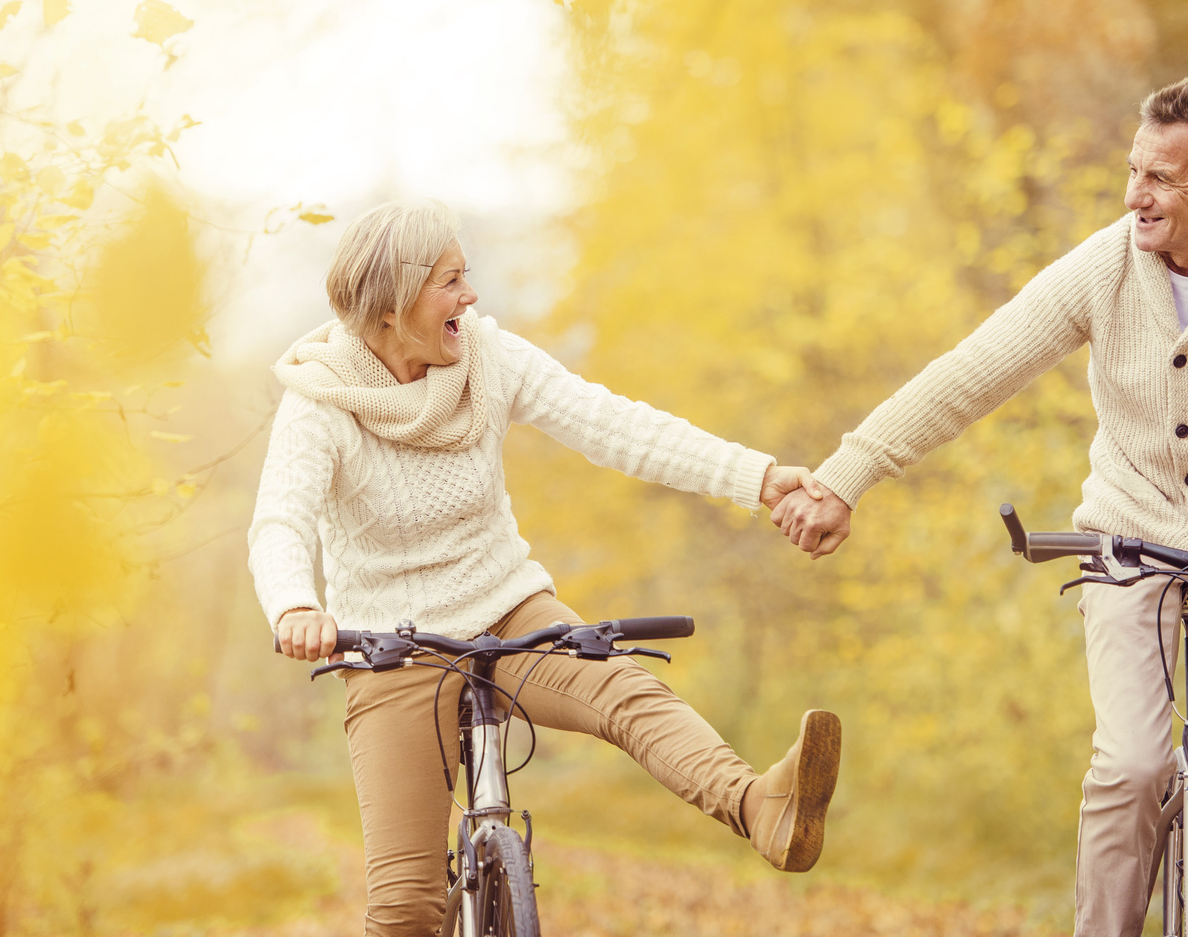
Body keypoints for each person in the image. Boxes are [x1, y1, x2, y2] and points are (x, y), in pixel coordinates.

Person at [770, 78, 1188, 937]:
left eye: (1160, 178)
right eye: (1131, 170)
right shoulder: (1104, 266)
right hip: (1130, 534)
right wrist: (846, 474)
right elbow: (974, 371)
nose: (1134, 195)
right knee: (1134, 762)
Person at [248, 199, 842, 936]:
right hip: (390, 649)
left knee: (628, 690)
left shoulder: (486, 358)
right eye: (450, 281)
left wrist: (757, 477)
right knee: (404, 909)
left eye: (467, 275)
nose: (470, 295)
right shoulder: (320, 402)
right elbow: (281, 518)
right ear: (393, 309)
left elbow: (612, 423)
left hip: (508, 612)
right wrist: (294, 606)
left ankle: (762, 805)